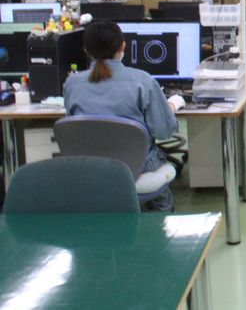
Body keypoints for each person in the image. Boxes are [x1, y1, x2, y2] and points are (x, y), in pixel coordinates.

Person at [63, 20, 185, 211]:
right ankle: (161, 216)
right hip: (138, 167)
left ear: (86, 50)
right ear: (123, 46)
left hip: (90, 168)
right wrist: (170, 105)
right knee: (160, 179)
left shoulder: (72, 84)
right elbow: (164, 131)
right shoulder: (143, 81)